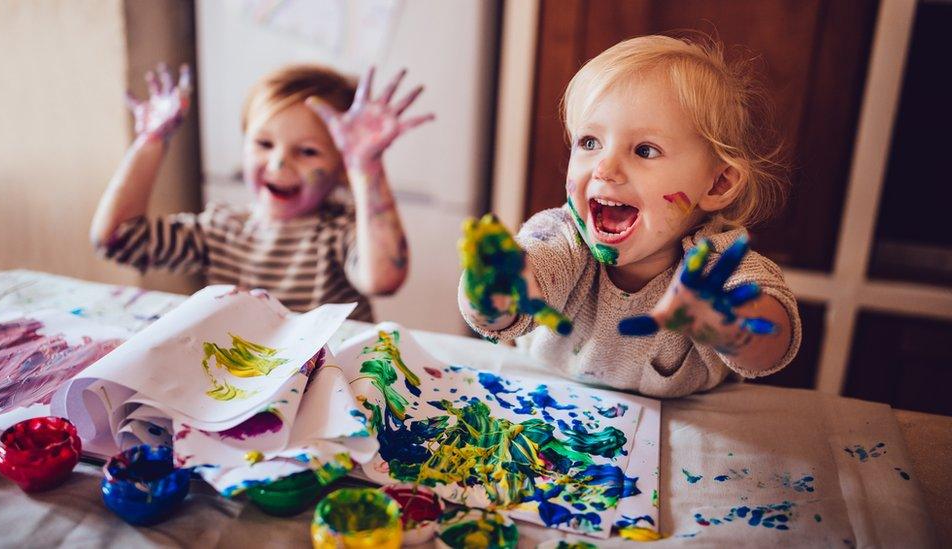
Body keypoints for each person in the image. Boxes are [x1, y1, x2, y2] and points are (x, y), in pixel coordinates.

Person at [459, 35, 801, 397]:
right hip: (543, 405)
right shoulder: (563, 237)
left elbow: (772, 347)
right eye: (590, 142)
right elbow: (514, 296)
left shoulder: (714, 267)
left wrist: (727, 324)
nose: (605, 168)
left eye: (644, 150)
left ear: (717, 184)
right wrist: (491, 293)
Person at [91, 64, 432, 321]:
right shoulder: (220, 229)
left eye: (308, 151)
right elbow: (117, 238)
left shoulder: (340, 233)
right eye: (264, 143)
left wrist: (366, 166)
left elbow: (384, 278)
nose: (279, 163)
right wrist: (151, 142)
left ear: (342, 168)